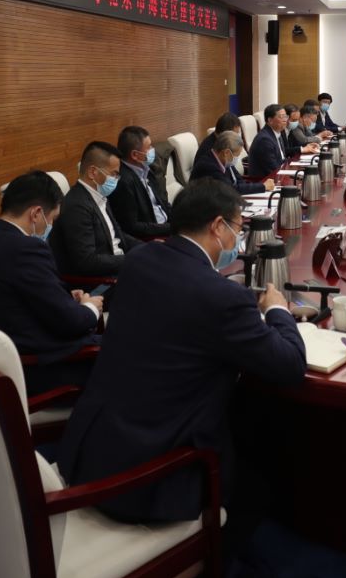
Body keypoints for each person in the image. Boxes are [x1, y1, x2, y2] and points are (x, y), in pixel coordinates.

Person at [59, 178, 307, 539]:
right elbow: (290, 366)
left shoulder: (139, 260)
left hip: (93, 451)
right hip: (147, 478)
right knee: (258, 482)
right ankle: (208, 567)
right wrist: (277, 310)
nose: (237, 238)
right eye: (237, 228)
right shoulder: (221, 298)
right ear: (218, 226)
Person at [0, 171, 103, 397]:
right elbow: (71, 322)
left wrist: (65, 299)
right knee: (136, 357)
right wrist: (90, 308)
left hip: (28, 350)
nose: (52, 226)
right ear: (36, 213)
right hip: (46, 368)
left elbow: (25, 297)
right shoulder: (25, 250)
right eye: (53, 219)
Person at [51, 141, 143, 276]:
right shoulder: (77, 206)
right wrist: (131, 259)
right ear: (93, 172)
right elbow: (87, 261)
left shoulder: (99, 195)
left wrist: (145, 248)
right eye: (114, 174)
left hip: (120, 265)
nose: (116, 179)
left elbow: (118, 235)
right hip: (103, 279)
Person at [109, 125, 172, 240]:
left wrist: (180, 219)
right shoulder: (123, 182)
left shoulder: (147, 169)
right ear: (135, 155)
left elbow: (162, 202)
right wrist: (170, 228)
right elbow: (132, 226)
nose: (153, 150)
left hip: (167, 227)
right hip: (152, 237)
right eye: (149, 147)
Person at [191, 130, 273, 195]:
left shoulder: (224, 161)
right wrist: (262, 186)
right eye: (236, 155)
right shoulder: (208, 166)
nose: (236, 158)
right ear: (226, 153)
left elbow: (240, 181)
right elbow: (230, 190)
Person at [247, 103, 292, 178]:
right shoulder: (264, 140)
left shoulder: (277, 133)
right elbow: (273, 169)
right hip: (265, 180)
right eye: (281, 117)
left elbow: (282, 160)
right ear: (270, 120)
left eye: (286, 116)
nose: (285, 120)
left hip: (278, 175)